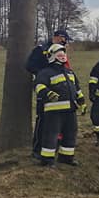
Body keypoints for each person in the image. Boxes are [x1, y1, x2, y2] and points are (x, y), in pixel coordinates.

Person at [34, 44, 87, 167]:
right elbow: (38, 86)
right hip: (54, 111)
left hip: (70, 110)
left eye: (63, 54)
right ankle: (47, 160)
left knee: (70, 133)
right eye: (59, 54)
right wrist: (48, 93)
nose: (62, 56)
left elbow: (77, 89)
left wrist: (82, 102)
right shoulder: (45, 72)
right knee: (51, 134)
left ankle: (66, 157)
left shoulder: (69, 72)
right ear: (52, 56)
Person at [26, 29, 71, 159]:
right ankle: (37, 149)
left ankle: (55, 146)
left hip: (61, 90)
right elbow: (29, 66)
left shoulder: (62, 51)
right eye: (63, 39)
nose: (65, 43)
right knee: (43, 119)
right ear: (56, 37)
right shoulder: (41, 50)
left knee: (60, 121)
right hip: (45, 88)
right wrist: (45, 73)